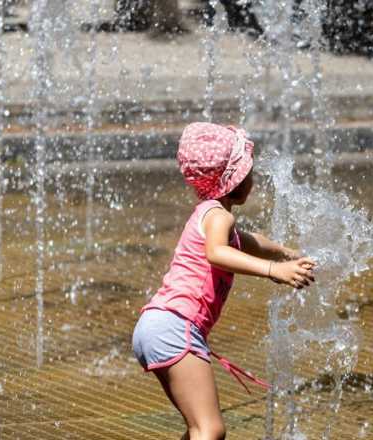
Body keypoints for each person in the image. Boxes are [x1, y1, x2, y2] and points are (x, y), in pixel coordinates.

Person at [131, 122, 316, 439]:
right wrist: (275, 271)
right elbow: (218, 253)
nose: (253, 180)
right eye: (249, 173)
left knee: (197, 428)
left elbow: (249, 241)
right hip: (175, 328)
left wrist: (285, 252)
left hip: (159, 326)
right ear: (234, 180)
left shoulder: (209, 213)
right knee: (211, 429)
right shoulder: (219, 217)